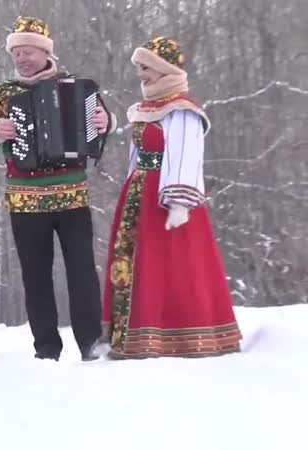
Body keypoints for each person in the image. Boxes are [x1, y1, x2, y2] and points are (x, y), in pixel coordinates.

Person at [0, 16, 117, 362]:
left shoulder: (76, 86)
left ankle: (92, 342)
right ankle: (46, 349)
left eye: (27, 51)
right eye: (16, 52)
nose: (21, 58)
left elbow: (102, 122)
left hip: (72, 195)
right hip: (25, 199)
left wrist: (107, 122)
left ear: (45, 52)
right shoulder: (3, 94)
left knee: (82, 271)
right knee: (36, 276)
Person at [101, 37, 242, 359]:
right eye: (139, 68)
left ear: (164, 69)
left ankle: (183, 336)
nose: (141, 75)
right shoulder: (145, 110)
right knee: (139, 264)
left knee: (175, 265)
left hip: (166, 198)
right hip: (139, 195)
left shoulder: (182, 110)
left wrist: (180, 201)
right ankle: (133, 337)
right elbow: (138, 155)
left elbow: (186, 155)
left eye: (146, 68)